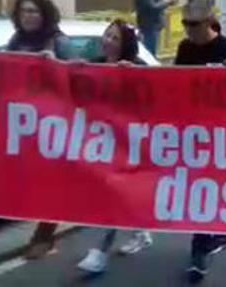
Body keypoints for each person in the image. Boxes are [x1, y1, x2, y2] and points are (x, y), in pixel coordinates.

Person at [174, 0, 226, 282]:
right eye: (185, 24)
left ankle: (218, 233)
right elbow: (174, 83)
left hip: (222, 129)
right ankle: (199, 249)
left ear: (208, 23)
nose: (188, 30)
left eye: (193, 25)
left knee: (214, 185)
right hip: (194, 129)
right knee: (198, 187)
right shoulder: (184, 49)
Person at [76, 21, 153, 273]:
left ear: (126, 44)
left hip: (128, 141)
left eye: (115, 38)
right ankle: (141, 231)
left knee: (113, 192)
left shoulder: (137, 66)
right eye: (107, 35)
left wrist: (133, 77)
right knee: (117, 192)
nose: (108, 41)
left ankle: (100, 252)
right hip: (99, 140)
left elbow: (153, 99)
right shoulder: (95, 63)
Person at [10, 0, 76, 260]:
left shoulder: (59, 42)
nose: (28, 16)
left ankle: (44, 236)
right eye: (24, 11)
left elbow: (80, 76)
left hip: (55, 124)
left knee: (52, 180)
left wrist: (57, 65)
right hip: (25, 125)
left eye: (34, 11)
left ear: (44, 15)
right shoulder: (16, 42)